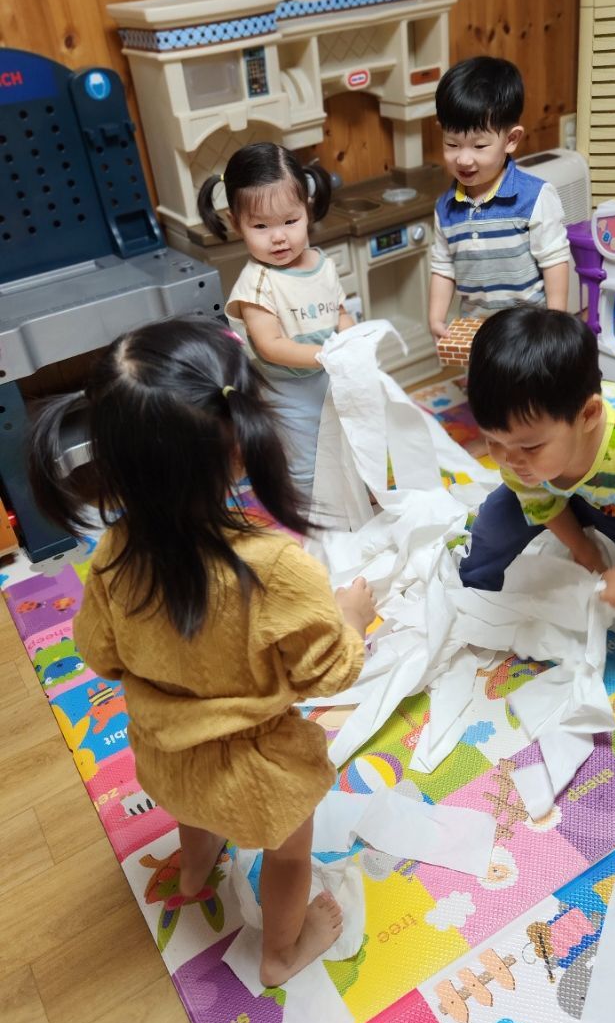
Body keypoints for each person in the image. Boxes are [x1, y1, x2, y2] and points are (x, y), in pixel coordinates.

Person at [27, 318, 376, 986]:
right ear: (238, 447)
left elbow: (99, 654)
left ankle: (193, 871)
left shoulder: (111, 552)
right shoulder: (277, 566)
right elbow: (330, 672)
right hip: (259, 778)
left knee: (194, 809)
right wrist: (352, 619)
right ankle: (280, 954)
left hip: (167, 761)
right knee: (289, 855)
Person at [458, 306, 615, 709]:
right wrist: (581, 546)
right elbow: (537, 498)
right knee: (494, 524)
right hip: (574, 484)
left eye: (529, 446)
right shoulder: (516, 450)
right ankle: (474, 592)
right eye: (493, 441)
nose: (507, 458)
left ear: (589, 415)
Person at [199, 143, 355, 503]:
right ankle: (313, 514)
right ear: (236, 224)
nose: (279, 236)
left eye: (290, 221)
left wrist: (351, 342)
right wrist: (326, 355)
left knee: (347, 439)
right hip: (286, 391)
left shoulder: (321, 263)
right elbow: (270, 346)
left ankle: (353, 496)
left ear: (307, 210)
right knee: (305, 457)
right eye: (260, 226)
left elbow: (340, 313)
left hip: (330, 376)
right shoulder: (257, 284)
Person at [428, 56, 570, 342]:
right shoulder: (445, 208)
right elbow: (443, 268)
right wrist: (436, 317)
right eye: (452, 144)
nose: (463, 158)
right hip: (477, 334)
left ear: (511, 139)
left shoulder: (534, 197)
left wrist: (555, 325)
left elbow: (554, 261)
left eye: (479, 146)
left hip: (529, 334)